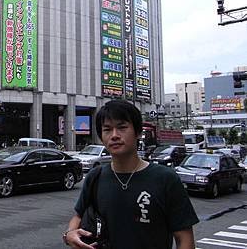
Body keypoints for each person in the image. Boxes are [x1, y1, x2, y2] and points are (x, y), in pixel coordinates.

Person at [63, 99, 198, 249]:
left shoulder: (166, 178)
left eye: (122, 127)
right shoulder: (95, 176)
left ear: (138, 132)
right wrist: (69, 234)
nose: (114, 135)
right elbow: (78, 216)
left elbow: (184, 239)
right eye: (107, 129)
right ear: (101, 136)